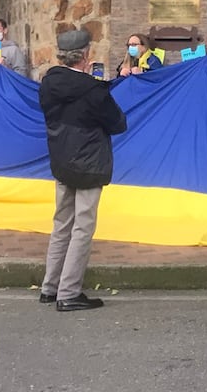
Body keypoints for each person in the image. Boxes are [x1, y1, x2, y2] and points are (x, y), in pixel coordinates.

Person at [38, 29, 127, 312]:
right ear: (86, 55)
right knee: (83, 227)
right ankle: (69, 293)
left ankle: (50, 287)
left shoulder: (48, 83)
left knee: (61, 223)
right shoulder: (93, 90)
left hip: (61, 160)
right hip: (89, 163)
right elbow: (118, 123)